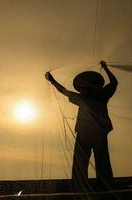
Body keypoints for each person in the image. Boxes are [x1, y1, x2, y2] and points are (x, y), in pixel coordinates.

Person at [45, 61, 118, 192]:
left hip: (95, 133)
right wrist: (52, 81)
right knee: (84, 162)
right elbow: (64, 91)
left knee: (98, 161)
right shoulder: (90, 97)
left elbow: (114, 83)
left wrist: (106, 68)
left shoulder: (100, 95)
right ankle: (85, 187)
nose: (87, 88)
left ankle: (99, 187)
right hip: (87, 133)